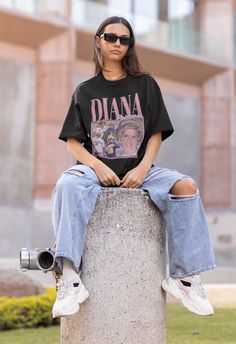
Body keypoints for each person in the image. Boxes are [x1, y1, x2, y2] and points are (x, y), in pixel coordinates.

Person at [51, 16, 216, 318]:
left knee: (186, 186)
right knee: (67, 184)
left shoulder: (145, 84)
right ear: (98, 40)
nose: (117, 43)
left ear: (130, 46)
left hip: (142, 169)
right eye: (111, 37)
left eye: (125, 39)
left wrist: (143, 168)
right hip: (94, 170)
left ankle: (184, 276)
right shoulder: (85, 91)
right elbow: (73, 143)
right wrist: (97, 166)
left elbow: (155, 132)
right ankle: (71, 277)